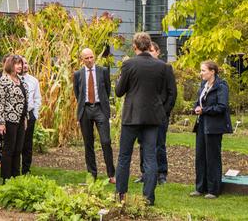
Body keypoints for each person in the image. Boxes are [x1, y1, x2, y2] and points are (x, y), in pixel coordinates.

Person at [114, 32, 171, 206]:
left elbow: (119, 91)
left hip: (132, 116)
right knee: (150, 158)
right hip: (152, 117)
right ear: (149, 45)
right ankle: (148, 198)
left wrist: (120, 80)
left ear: (135, 46)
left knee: (124, 156)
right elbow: (168, 92)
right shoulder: (162, 66)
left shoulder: (129, 64)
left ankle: (121, 195)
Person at [136, 41, 176, 185]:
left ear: (158, 52)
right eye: (148, 51)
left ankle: (161, 173)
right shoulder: (141, 68)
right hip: (144, 114)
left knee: (159, 144)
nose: (150, 53)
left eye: (152, 51)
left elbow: (172, 93)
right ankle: (145, 173)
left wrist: (165, 112)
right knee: (143, 144)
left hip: (160, 114)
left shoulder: (165, 68)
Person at [73, 47, 115, 183]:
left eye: (91, 57)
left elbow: (107, 90)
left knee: (106, 141)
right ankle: (92, 175)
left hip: (100, 109)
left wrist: (102, 105)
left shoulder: (102, 71)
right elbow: (77, 94)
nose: (90, 60)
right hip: (85, 110)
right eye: (87, 58)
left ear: (94, 57)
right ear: (82, 60)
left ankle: (111, 174)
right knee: (88, 144)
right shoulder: (78, 74)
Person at [191, 60, 232, 199]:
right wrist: (196, 107)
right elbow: (200, 101)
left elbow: (222, 106)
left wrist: (204, 110)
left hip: (214, 126)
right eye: (201, 70)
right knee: (200, 155)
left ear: (212, 71)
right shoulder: (203, 85)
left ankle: (213, 189)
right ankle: (200, 187)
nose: (201, 73)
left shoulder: (221, 86)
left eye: (203, 70)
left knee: (212, 157)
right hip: (202, 124)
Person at [0, 55, 28, 182]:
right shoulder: (3, 81)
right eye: (17, 64)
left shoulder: (22, 81)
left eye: (21, 64)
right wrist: (1, 123)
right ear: (10, 65)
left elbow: (25, 101)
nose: (20, 66)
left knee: (18, 148)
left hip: (20, 119)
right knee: (9, 149)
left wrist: (25, 118)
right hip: (9, 120)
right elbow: (0, 103)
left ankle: (15, 176)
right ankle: (6, 178)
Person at [20, 56, 41, 175]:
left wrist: (35, 115)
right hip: (17, 116)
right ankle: (15, 169)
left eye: (27, 63)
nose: (25, 66)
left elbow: (37, 98)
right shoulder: (14, 80)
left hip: (30, 114)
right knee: (18, 144)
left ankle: (26, 170)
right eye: (22, 63)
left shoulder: (33, 80)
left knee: (28, 144)